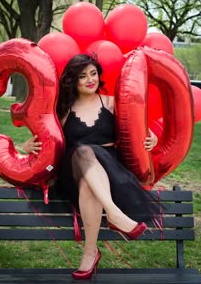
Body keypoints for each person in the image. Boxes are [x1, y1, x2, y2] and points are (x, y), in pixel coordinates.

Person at [23, 54, 158, 280]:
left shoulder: (112, 103)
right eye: (83, 76)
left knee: (89, 183)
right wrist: (26, 144)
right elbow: (46, 140)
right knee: (84, 151)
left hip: (109, 172)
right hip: (72, 172)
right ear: (73, 80)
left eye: (93, 74)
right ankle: (114, 213)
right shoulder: (64, 109)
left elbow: (140, 130)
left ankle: (90, 252)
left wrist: (151, 138)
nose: (90, 80)